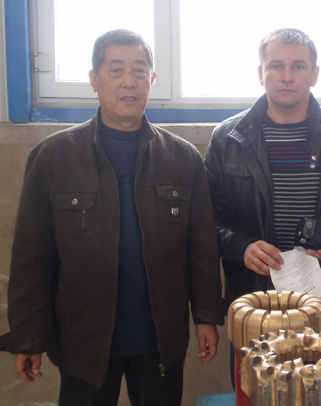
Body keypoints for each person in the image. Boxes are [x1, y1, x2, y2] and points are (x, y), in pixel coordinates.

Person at [0, 29, 224, 406]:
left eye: (139, 70)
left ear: (152, 78)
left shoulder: (183, 158)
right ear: (94, 79)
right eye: (116, 69)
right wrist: (28, 336)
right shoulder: (53, 157)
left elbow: (202, 248)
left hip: (160, 340)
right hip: (82, 341)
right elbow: (31, 258)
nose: (128, 81)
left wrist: (206, 317)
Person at [204, 28, 321, 332]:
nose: (286, 76)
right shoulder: (227, 139)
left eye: (298, 66)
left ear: (314, 74)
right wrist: (241, 247)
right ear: (261, 73)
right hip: (253, 303)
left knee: (320, 366)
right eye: (276, 66)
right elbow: (207, 216)